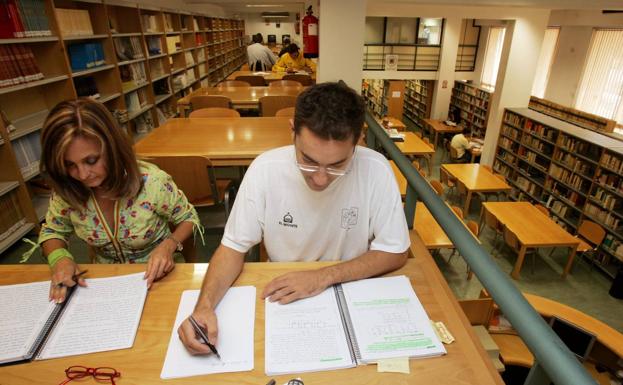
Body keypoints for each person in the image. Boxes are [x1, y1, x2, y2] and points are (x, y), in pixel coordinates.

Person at [178, 82, 410, 355]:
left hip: (349, 289)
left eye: (337, 165)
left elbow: (395, 252)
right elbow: (232, 248)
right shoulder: (265, 170)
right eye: (308, 160)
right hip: (282, 293)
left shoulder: (377, 171)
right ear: (292, 131)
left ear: (359, 139)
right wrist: (204, 306)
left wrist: (322, 277)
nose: (321, 179)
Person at [24, 99, 201, 303]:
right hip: (104, 282)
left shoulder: (152, 182)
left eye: (91, 161)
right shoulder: (66, 190)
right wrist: (59, 258)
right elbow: (53, 231)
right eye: (69, 164)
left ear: (113, 148)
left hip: (160, 278)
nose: (82, 175)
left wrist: (169, 245)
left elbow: (189, 217)